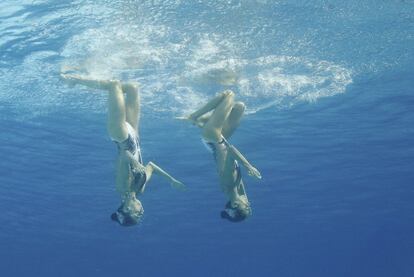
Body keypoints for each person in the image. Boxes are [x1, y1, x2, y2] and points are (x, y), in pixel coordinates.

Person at [61, 71, 185, 226]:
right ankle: (103, 79)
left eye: (137, 215)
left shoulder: (122, 187)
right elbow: (151, 167)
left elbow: (124, 155)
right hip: (135, 137)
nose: (141, 212)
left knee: (114, 85)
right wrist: (171, 180)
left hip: (121, 137)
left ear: (126, 209)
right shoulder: (140, 190)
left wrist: (134, 164)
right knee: (132, 88)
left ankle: (75, 81)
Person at [178, 90, 261, 222]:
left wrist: (249, 166)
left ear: (234, 204)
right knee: (239, 107)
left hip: (212, 137)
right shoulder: (236, 189)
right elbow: (242, 196)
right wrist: (242, 206)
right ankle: (204, 121)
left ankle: (193, 117)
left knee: (229, 95)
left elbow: (232, 151)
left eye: (246, 207)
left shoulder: (228, 183)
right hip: (221, 140)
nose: (249, 205)